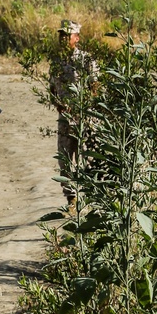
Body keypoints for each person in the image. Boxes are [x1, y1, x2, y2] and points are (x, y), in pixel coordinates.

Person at [49, 21, 98, 209]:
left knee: (88, 157)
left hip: (85, 118)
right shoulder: (56, 61)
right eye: (61, 35)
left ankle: (92, 197)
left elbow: (95, 86)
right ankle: (71, 198)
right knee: (65, 158)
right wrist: (58, 104)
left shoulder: (86, 60)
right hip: (65, 120)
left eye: (66, 36)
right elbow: (52, 88)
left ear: (76, 38)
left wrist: (83, 106)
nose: (62, 39)